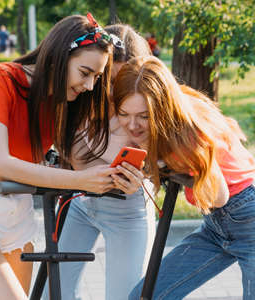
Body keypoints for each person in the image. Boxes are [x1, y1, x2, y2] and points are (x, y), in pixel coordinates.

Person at [0, 13, 129, 300]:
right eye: (85, 73)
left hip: (19, 211)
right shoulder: (0, 79)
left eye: (96, 77)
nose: (90, 85)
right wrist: (81, 180)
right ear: (58, 57)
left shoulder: (64, 100)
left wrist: (120, 174)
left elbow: (84, 157)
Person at [112, 56, 255, 300]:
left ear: (162, 108)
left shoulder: (188, 131)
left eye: (144, 116)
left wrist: (161, 163)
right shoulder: (169, 120)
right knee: (144, 296)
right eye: (125, 114)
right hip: (216, 229)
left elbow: (219, 197)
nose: (133, 125)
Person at [46, 24, 156, 300]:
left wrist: (147, 178)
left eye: (123, 82)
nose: (112, 91)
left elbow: (160, 161)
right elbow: (69, 157)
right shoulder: (81, 97)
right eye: (108, 79)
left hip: (127, 209)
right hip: (82, 203)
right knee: (55, 294)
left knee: (125, 296)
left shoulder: (138, 111)